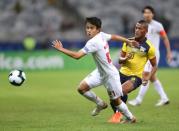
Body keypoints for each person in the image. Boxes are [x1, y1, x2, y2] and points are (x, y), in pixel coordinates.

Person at [52, 17, 137, 123]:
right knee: (82, 88)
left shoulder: (93, 42)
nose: (88, 30)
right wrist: (126, 40)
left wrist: (61, 49)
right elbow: (113, 36)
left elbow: (77, 56)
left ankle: (130, 117)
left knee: (116, 101)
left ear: (98, 29)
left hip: (110, 75)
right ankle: (100, 104)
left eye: (91, 28)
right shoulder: (102, 35)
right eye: (87, 28)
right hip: (100, 72)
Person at [108, 20, 157, 123]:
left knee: (120, 91)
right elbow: (120, 60)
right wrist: (125, 59)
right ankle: (120, 115)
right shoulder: (128, 41)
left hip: (136, 76)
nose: (137, 30)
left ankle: (121, 115)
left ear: (146, 31)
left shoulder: (149, 47)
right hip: (121, 73)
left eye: (140, 28)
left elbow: (154, 65)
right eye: (136, 28)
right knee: (113, 97)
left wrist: (148, 77)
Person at [128, 6, 172, 107]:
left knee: (145, 75)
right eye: (145, 12)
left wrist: (169, 52)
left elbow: (165, 38)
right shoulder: (142, 25)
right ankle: (164, 98)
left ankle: (138, 100)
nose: (147, 14)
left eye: (149, 12)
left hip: (153, 54)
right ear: (143, 14)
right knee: (152, 77)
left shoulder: (158, 25)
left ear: (153, 14)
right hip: (144, 54)